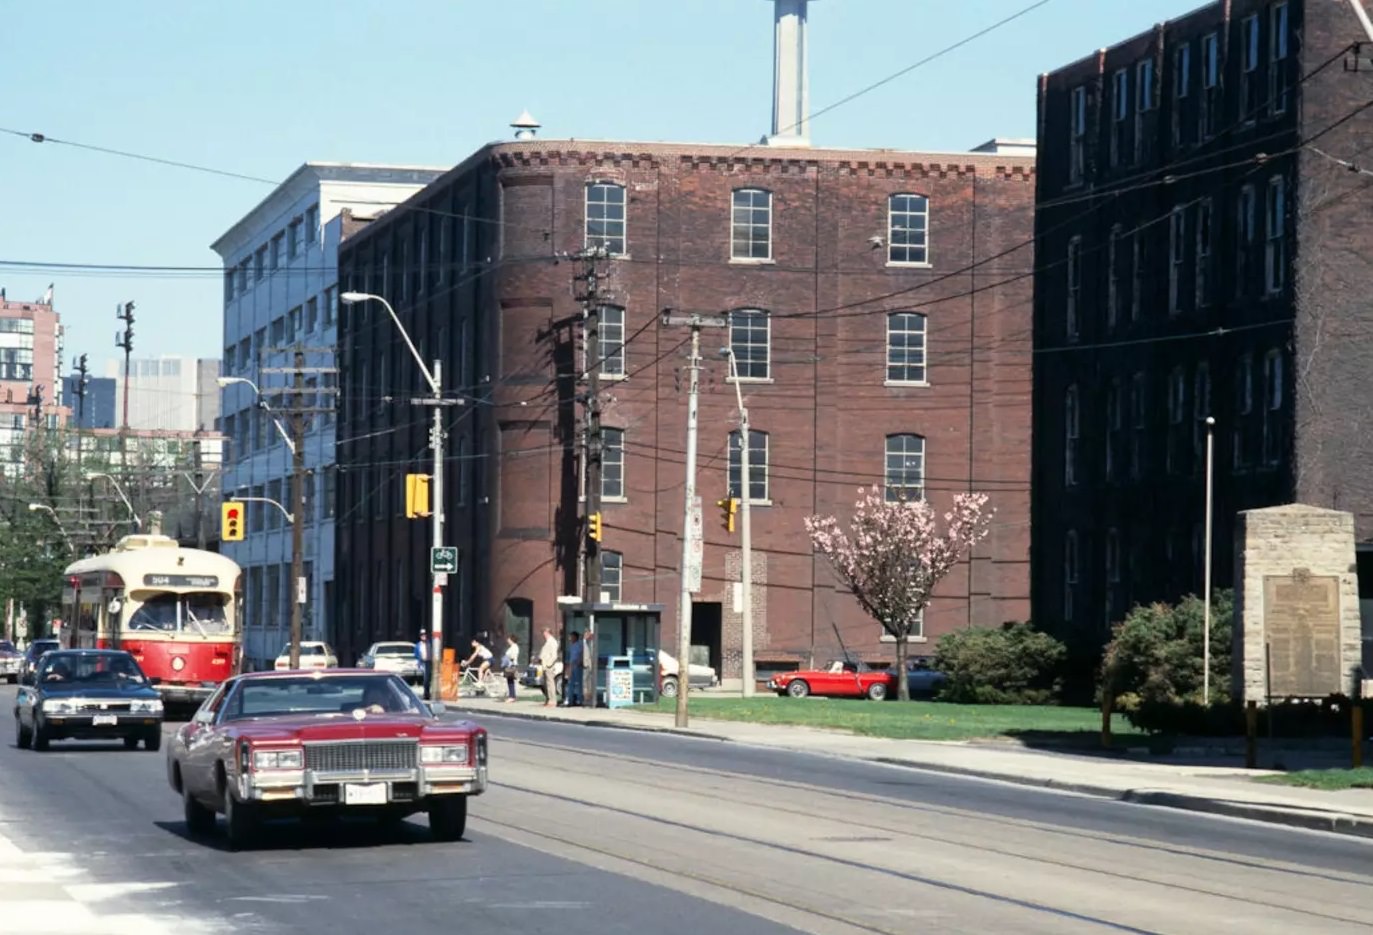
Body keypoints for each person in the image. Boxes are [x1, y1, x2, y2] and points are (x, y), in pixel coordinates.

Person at [562, 631, 585, 707]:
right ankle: (570, 699)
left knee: (579, 683)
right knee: (570, 683)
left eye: (571, 636)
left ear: (575, 637)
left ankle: (579, 700)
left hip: (577, 665)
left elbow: (581, 654)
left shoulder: (579, 645)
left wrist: (579, 662)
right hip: (572, 665)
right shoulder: (572, 646)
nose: (570, 638)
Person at [538, 628, 560, 707]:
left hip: (549, 666)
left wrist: (548, 664)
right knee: (546, 684)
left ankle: (552, 700)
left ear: (547, 632)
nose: (543, 634)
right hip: (544, 666)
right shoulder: (547, 642)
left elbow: (554, 656)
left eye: (544, 632)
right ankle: (548, 699)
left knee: (550, 683)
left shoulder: (552, 642)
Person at [501, 635, 520, 703]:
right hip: (510, 665)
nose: (507, 641)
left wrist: (508, 660)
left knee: (510, 681)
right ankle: (512, 696)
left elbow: (512, 656)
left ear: (511, 640)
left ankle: (512, 696)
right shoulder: (512, 647)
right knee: (510, 681)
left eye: (508, 639)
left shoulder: (514, 647)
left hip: (511, 665)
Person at [415, 630, 431, 697]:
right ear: (420, 636)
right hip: (422, 662)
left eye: (425, 634)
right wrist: (418, 661)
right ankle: (426, 693)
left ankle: (427, 693)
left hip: (429, 662)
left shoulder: (429, 643)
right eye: (422, 635)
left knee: (427, 678)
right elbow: (416, 654)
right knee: (425, 679)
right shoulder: (418, 645)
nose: (424, 636)